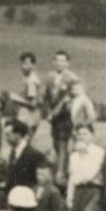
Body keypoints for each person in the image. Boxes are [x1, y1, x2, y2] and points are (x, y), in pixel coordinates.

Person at [42, 50, 78, 187]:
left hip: (65, 118)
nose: (59, 63)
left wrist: (60, 111)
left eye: (63, 61)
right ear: (53, 62)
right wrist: (47, 113)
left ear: (68, 63)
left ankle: (61, 174)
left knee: (62, 144)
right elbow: (46, 97)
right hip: (54, 119)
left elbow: (73, 98)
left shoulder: (72, 78)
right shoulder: (50, 78)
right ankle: (62, 169)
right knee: (56, 143)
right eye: (57, 60)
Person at [1, 119, 47, 195]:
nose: (6, 138)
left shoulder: (35, 155)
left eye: (8, 135)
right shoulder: (13, 153)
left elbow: (40, 181)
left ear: (18, 134)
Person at [11, 52, 42, 133]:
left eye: (27, 63)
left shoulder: (31, 81)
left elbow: (32, 104)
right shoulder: (26, 77)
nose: (23, 66)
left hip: (29, 117)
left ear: (33, 66)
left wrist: (16, 98)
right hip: (28, 116)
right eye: (22, 63)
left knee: (23, 141)